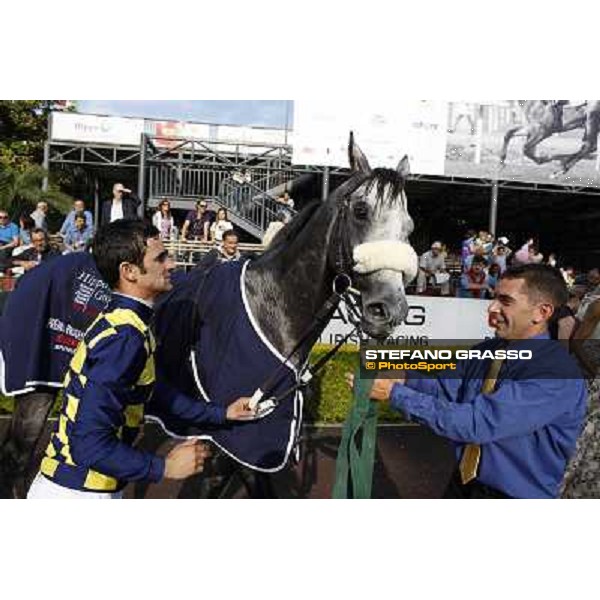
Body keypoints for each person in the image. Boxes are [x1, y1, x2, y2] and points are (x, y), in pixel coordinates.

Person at [26, 220, 256, 499]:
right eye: (160, 258)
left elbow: (156, 392)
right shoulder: (125, 336)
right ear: (129, 271)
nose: (171, 265)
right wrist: (164, 467)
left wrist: (222, 413)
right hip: (78, 495)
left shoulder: (126, 321)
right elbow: (89, 445)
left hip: (81, 489)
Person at [361, 264, 586, 499]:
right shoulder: (486, 350)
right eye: (494, 298)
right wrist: (404, 378)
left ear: (542, 312)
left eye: (505, 301)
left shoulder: (557, 373)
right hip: (463, 482)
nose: (492, 308)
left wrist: (395, 394)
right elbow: (447, 392)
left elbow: (476, 423)